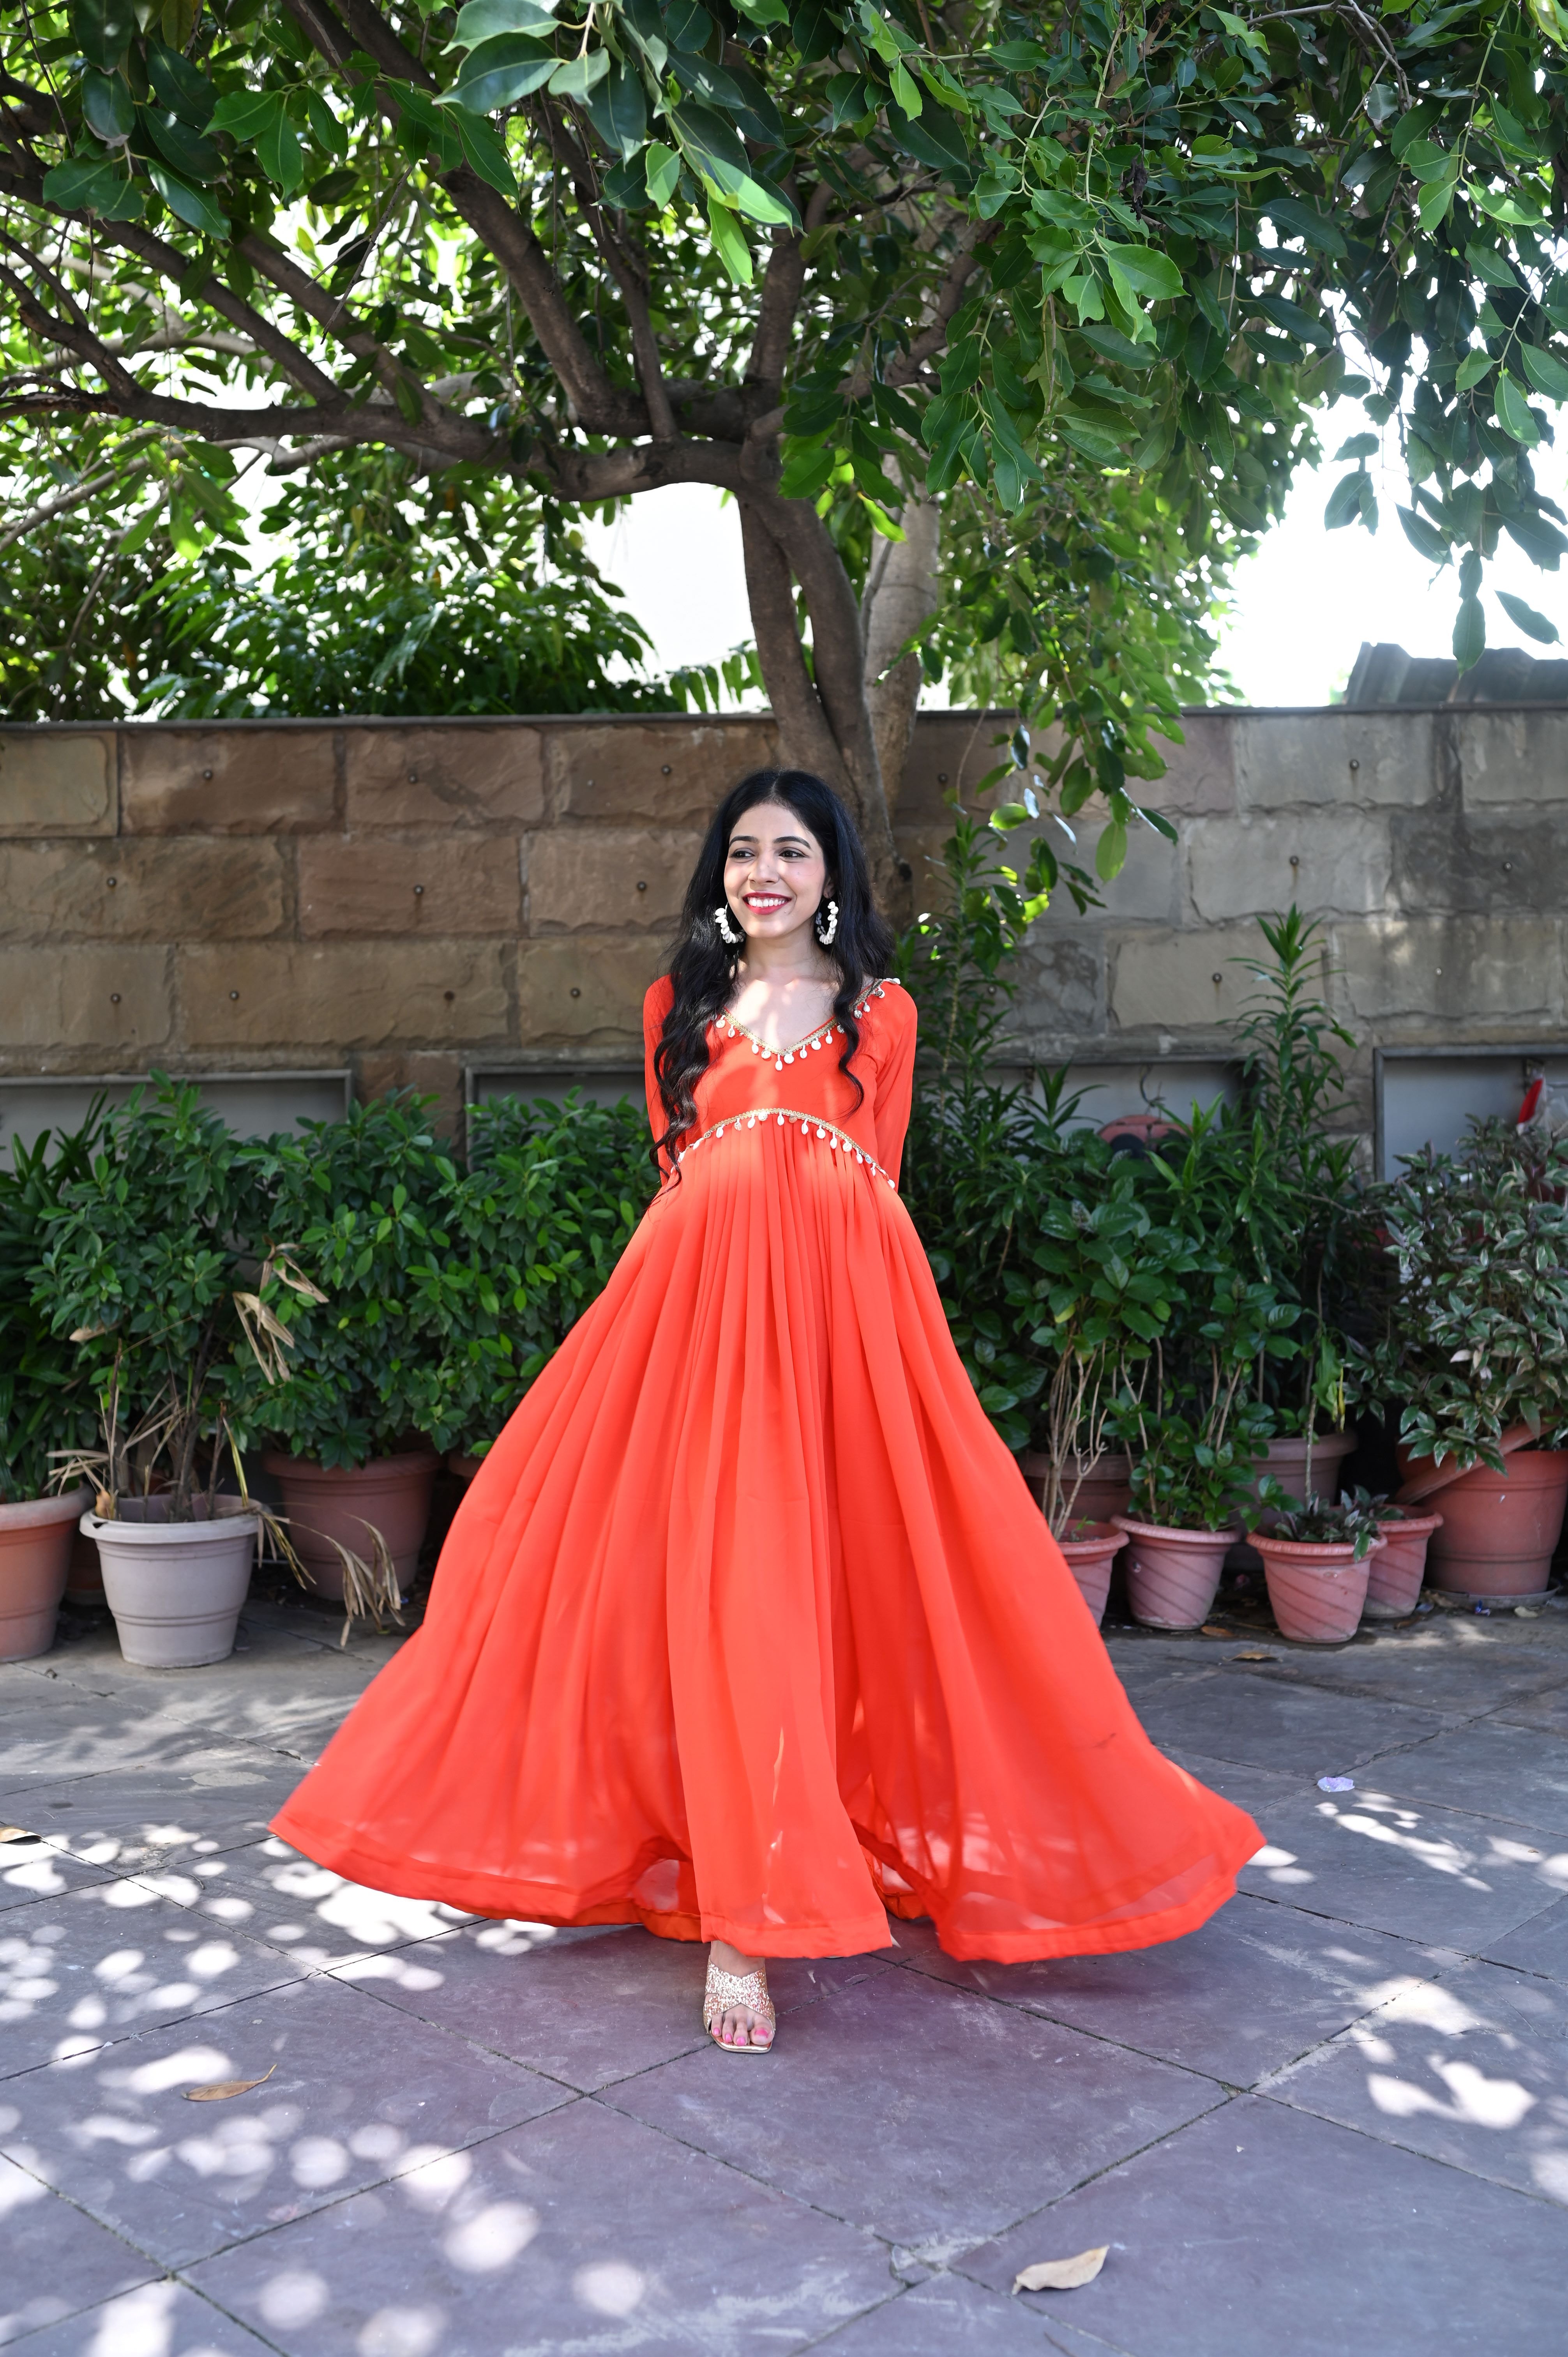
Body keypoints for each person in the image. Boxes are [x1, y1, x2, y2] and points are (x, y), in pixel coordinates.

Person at [271, 769, 1261, 2053]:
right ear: (720, 876)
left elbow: (873, 1175)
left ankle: (860, 1848)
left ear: (833, 876)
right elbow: (678, 1169)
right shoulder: (677, 1008)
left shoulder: (882, 1012)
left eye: (792, 851)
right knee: (691, 1589)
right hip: (694, 1326)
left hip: (848, 1333)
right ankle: (740, 1907)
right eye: (743, 853)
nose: (765, 873)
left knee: (879, 1587)